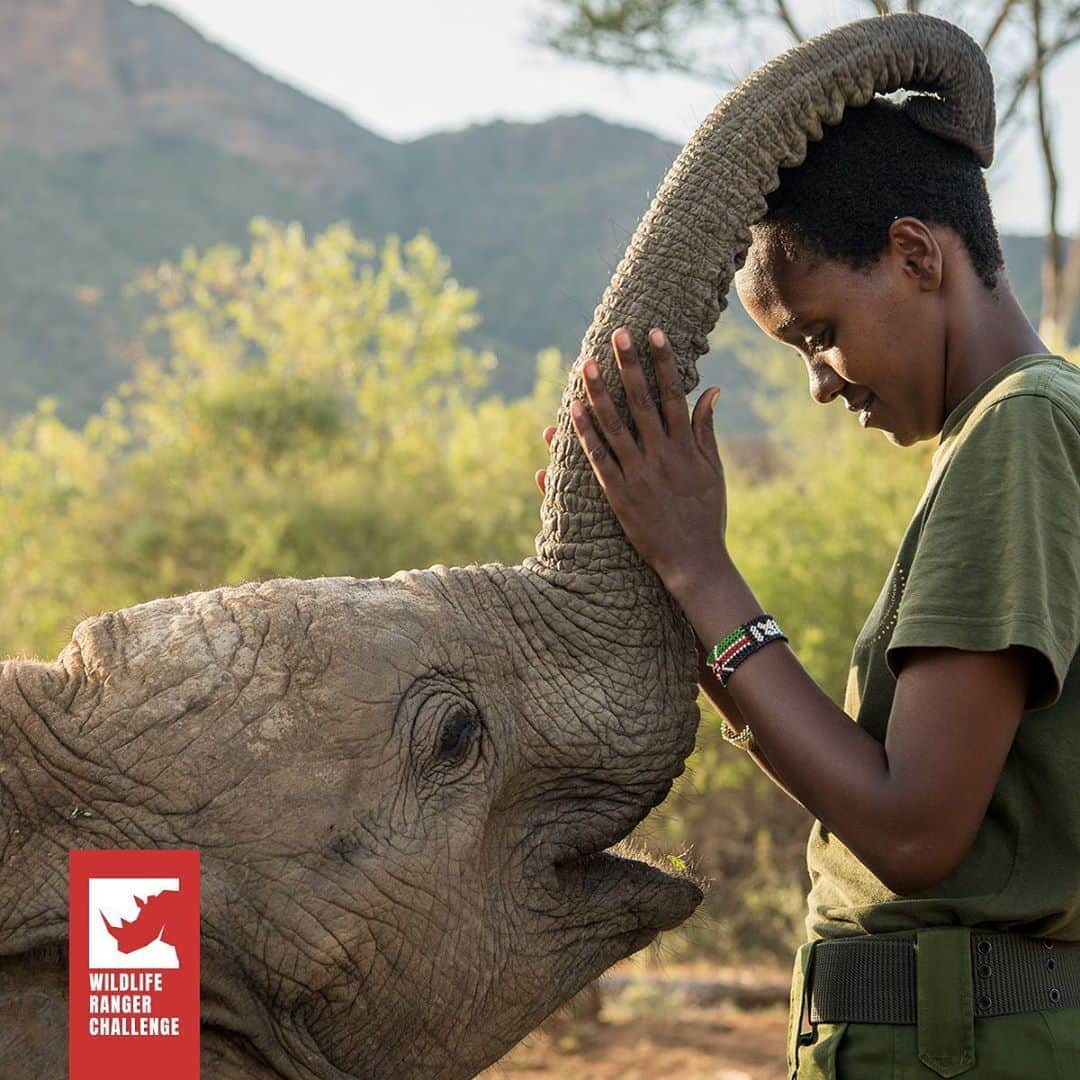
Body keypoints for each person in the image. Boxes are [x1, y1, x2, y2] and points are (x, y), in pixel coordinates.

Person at [535, 97, 1080, 1077]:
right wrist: (675, 573)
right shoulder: (1010, 434)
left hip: (961, 1048)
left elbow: (909, 829)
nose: (821, 382)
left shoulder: (1021, 430)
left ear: (918, 256)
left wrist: (702, 567)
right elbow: (887, 798)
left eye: (819, 331)